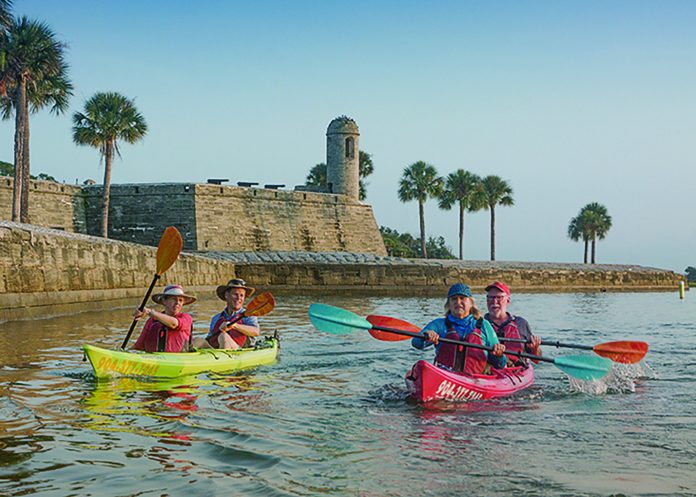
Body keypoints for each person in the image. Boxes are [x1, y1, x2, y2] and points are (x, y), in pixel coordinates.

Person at [412, 283, 506, 374]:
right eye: (454, 299)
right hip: (446, 376)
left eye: (462, 298)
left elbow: (500, 364)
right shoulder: (439, 324)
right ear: (449, 304)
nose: (458, 302)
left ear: (471, 303)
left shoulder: (484, 325)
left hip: (476, 380)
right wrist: (426, 336)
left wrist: (499, 354)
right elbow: (416, 343)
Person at [193, 278, 260, 350]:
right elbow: (210, 339)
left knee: (223, 336)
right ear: (226, 295)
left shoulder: (248, 315)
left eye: (241, 295)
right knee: (197, 340)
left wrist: (235, 325)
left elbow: (256, 331)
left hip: (239, 349)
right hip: (218, 351)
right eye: (235, 294)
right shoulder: (216, 318)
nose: (238, 298)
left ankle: (223, 358)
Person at [484, 281, 542, 365]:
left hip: (515, 369)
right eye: (491, 297)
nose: (494, 301)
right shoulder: (479, 324)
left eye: (499, 297)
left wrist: (535, 348)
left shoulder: (521, 323)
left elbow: (536, 360)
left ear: (508, 300)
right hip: (489, 370)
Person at [133, 284, 196, 353]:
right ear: (164, 301)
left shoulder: (186, 318)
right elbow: (138, 346)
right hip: (154, 359)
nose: (177, 303)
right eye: (173, 299)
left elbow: (174, 324)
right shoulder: (151, 321)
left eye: (180, 300)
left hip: (179, 359)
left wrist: (150, 312)